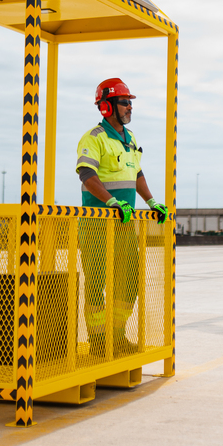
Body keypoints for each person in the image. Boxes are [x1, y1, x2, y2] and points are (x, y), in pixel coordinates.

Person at [75, 78, 168, 359]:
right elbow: (86, 175)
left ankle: (116, 335)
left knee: (128, 280)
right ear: (107, 106)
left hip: (124, 224)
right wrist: (111, 202)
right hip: (97, 225)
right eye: (125, 102)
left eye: (130, 102)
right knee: (96, 283)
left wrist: (151, 201)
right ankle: (99, 340)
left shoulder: (130, 139)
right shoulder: (94, 137)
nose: (130, 107)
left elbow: (136, 174)